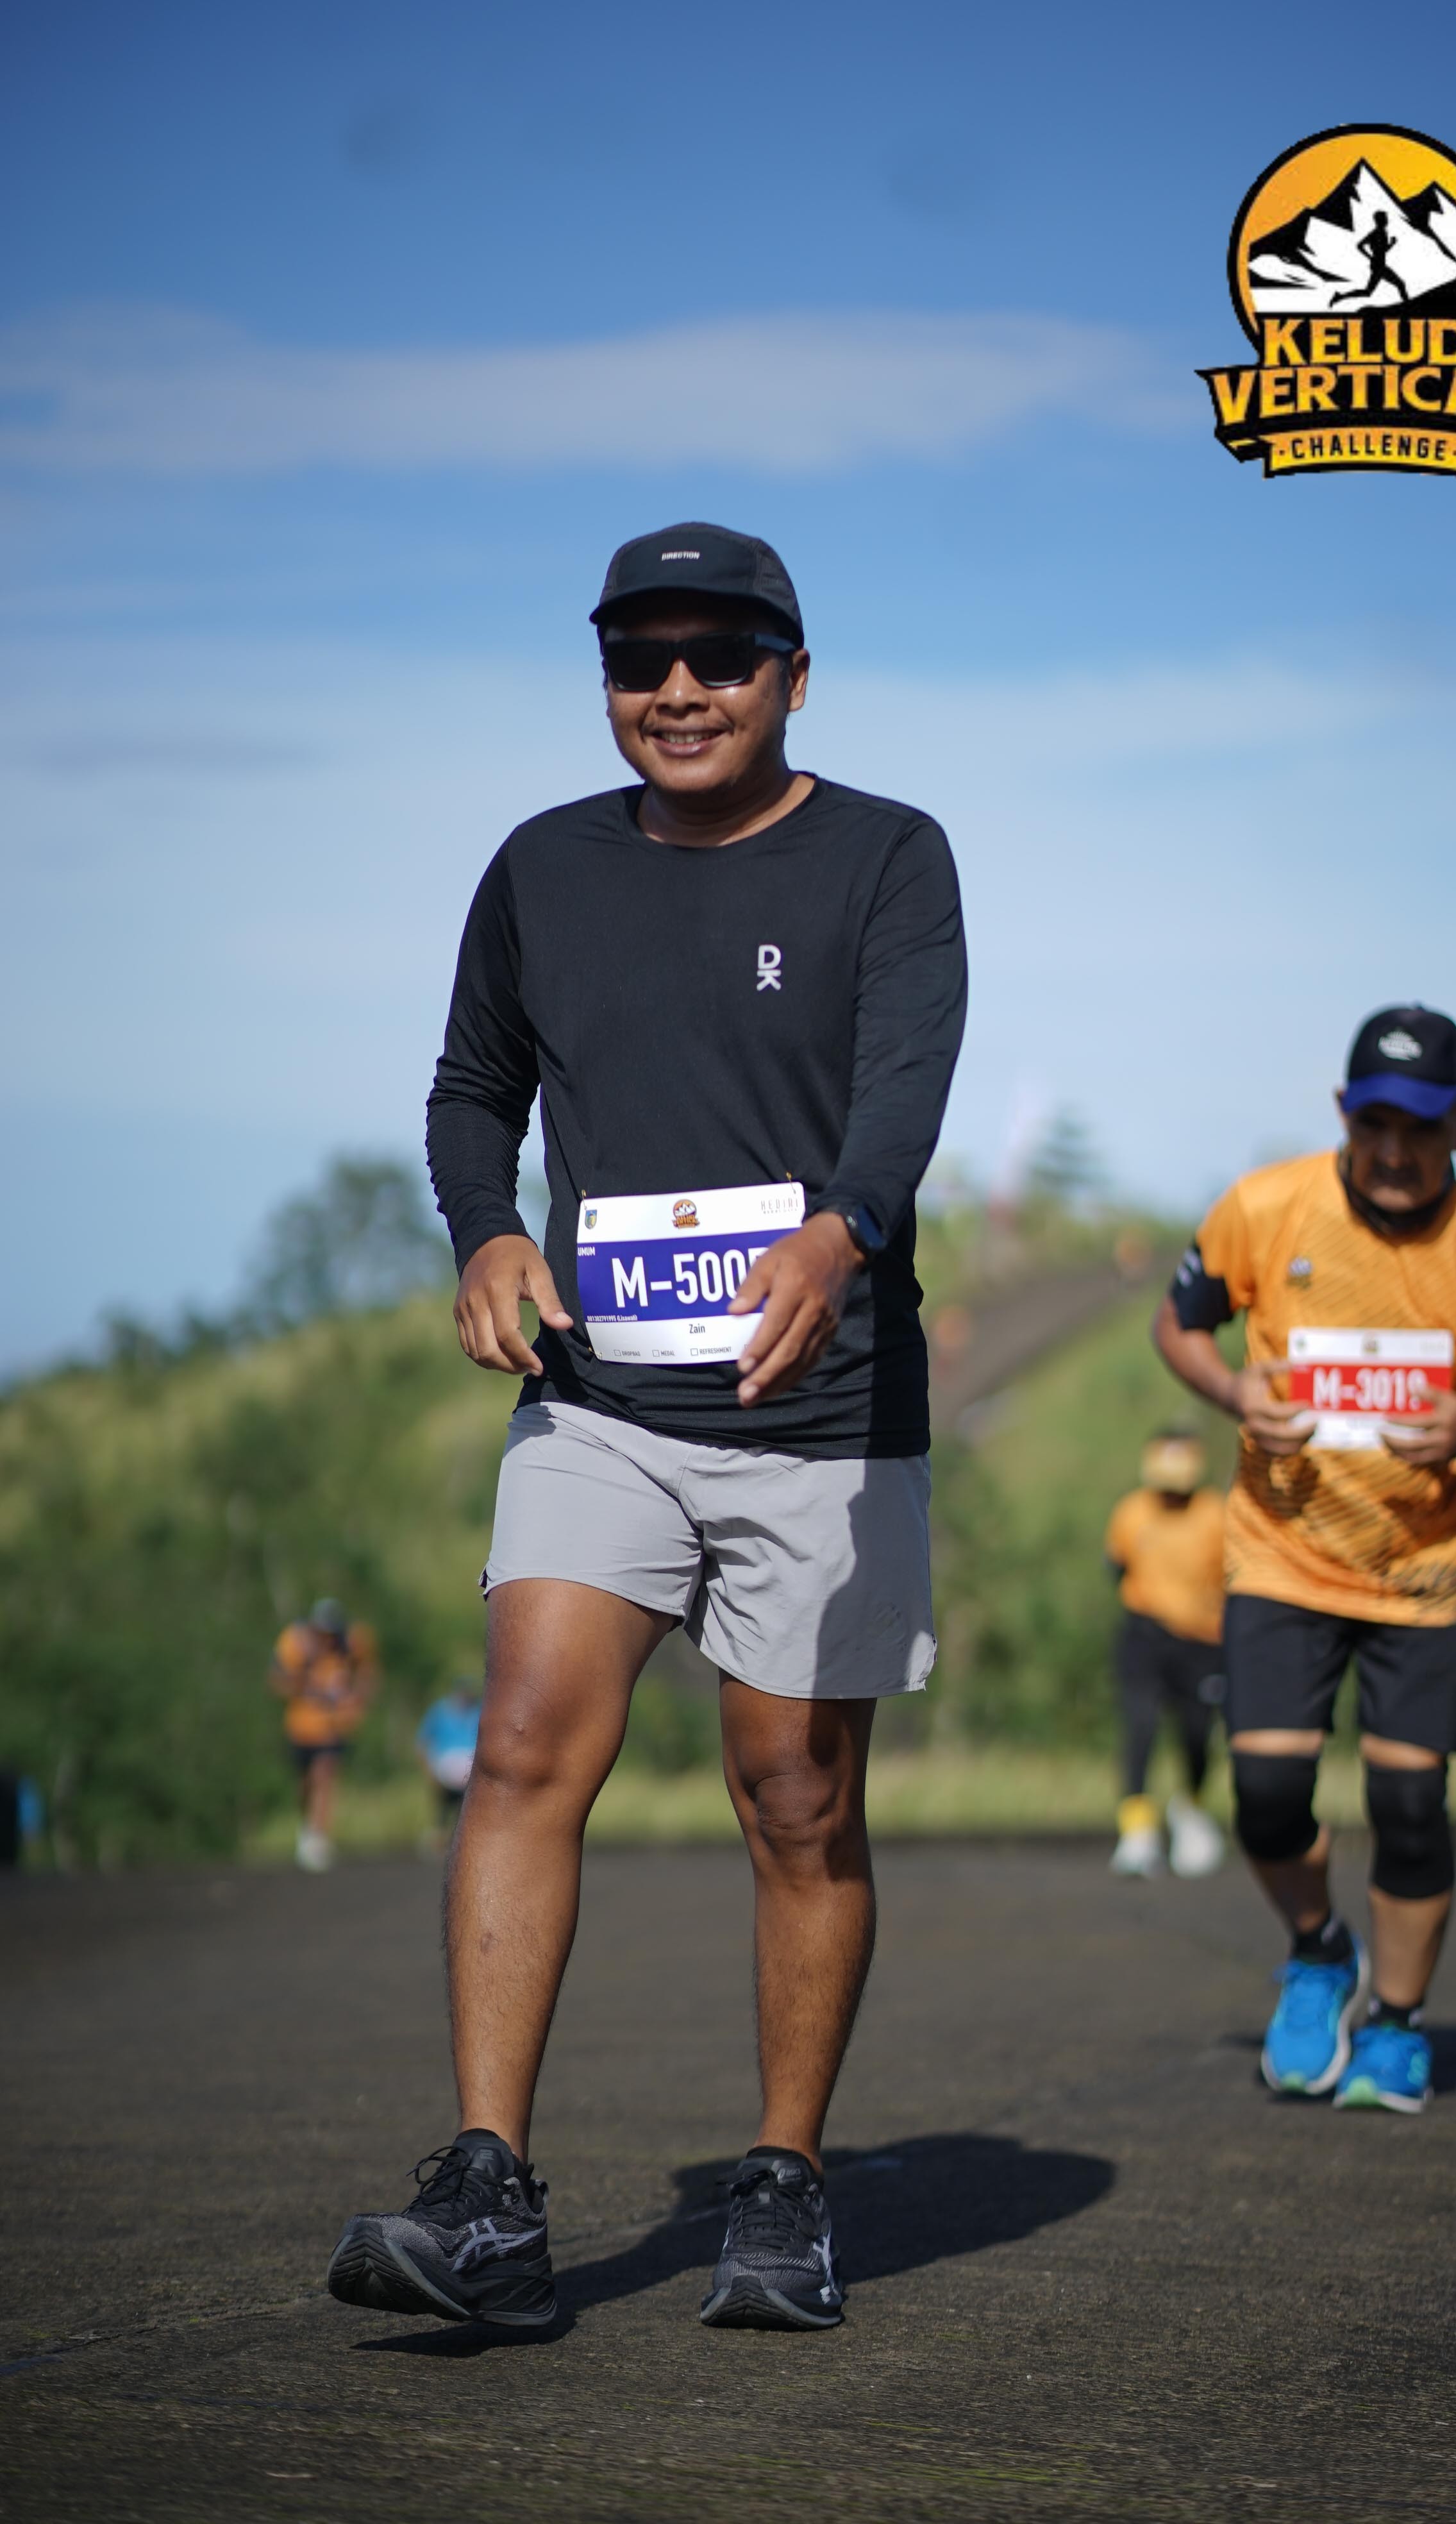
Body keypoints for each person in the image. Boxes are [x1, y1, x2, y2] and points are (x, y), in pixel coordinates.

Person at [326, 521, 966, 2332]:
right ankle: (486, 2194)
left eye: (720, 656)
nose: (677, 690)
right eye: (639, 658)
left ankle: (782, 2184)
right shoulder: (542, 867)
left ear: (792, 676)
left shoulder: (887, 856)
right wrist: (487, 1230)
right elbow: (471, 1087)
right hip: (599, 1398)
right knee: (526, 1738)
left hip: (819, 1408)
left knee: (794, 1796)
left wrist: (842, 1232)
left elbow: (905, 1091)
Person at [1153, 1007, 1456, 2113]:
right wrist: (1231, 1390)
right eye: (1373, 1124)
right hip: (1282, 1554)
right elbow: (1179, 1322)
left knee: (1408, 1804)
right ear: (1342, 1114)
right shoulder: (1266, 1206)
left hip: (1426, 1574)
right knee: (1265, 1794)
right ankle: (1317, 1951)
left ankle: (1397, 2023)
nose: (1394, 1150)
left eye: (1422, 1128)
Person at [1103, 1430, 1226, 1880]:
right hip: (1146, 1634)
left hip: (1203, 1640)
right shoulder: (1132, 1511)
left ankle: (1191, 1810)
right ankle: (1137, 1828)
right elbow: (1117, 1566)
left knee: (1196, 1733)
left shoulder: (1215, 1514)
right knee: (1141, 1725)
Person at [267, 1599, 380, 1871]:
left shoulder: (353, 1643)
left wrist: (357, 1701)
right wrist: (301, 1683)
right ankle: (308, 1827)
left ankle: (318, 1838)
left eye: (332, 1633)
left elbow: (369, 1674)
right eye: (323, 1633)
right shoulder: (295, 1642)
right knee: (306, 1783)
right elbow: (275, 1681)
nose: (328, 1640)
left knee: (325, 1775)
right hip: (301, 1727)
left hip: (333, 1726)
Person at [415, 1679, 482, 1838]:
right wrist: (429, 1770)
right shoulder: (440, 1712)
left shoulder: (478, 1711)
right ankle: (440, 1833)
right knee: (444, 1808)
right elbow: (423, 1742)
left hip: (469, 1767)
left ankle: (461, 1836)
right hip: (446, 1767)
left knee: (466, 1808)